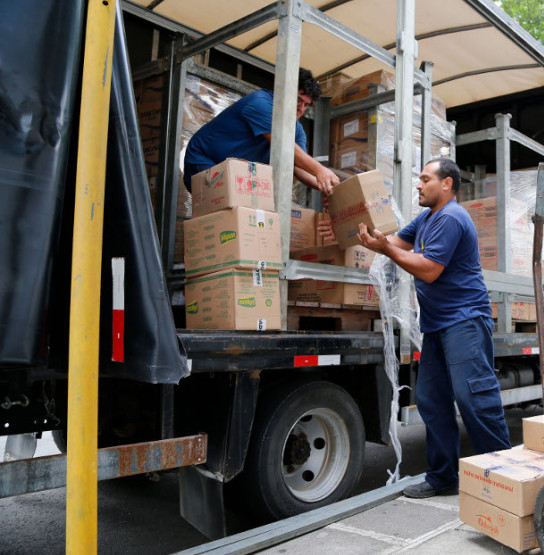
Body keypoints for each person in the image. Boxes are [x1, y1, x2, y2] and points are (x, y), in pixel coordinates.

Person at [357, 158, 511, 498]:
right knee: (431, 401)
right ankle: (443, 478)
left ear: (447, 184)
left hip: (465, 322)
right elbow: (398, 241)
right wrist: (374, 239)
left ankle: (506, 482)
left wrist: (384, 249)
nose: (418, 185)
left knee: (475, 401)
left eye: (425, 179)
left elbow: (428, 270)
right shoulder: (427, 219)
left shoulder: (452, 218)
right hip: (439, 325)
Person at [183, 68, 338, 194]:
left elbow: (298, 165)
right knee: (228, 210)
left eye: (306, 104)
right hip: (204, 160)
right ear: (283, 90)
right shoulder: (261, 103)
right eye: (298, 99)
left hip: (235, 174)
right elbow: (284, 146)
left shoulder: (297, 131)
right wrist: (319, 170)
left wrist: (324, 186)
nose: (301, 108)